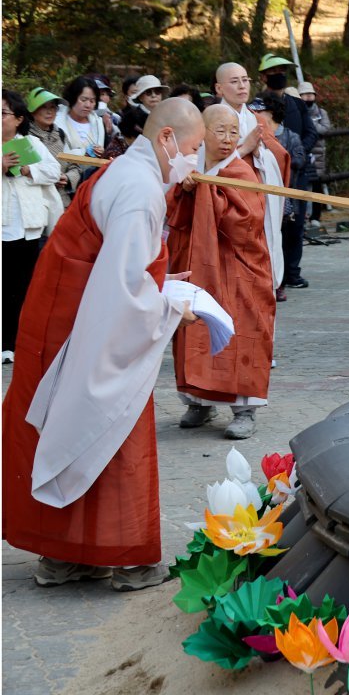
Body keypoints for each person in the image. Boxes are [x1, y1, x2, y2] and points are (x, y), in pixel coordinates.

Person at [2, 98, 204, 591]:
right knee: (112, 425)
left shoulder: (127, 170)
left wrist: (154, 279)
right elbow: (124, 290)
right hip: (86, 323)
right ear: (166, 139)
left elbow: (119, 262)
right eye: (193, 149)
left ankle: (65, 556)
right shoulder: (139, 188)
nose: (193, 163)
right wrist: (169, 304)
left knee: (60, 424)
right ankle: (128, 558)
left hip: (59, 312)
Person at [166, 105, 274, 438]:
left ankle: (245, 409)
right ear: (203, 132)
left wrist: (206, 191)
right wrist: (185, 190)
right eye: (219, 131)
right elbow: (175, 216)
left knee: (241, 328)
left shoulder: (241, 172)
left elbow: (246, 222)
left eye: (233, 132)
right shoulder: (189, 167)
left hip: (238, 264)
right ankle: (197, 401)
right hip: (193, 261)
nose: (227, 140)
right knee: (191, 323)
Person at [214, 63, 287, 297]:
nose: (242, 86)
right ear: (219, 88)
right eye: (234, 81)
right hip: (228, 204)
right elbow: (207, 167)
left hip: (257, 198)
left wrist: (259, 154)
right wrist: (244, 148)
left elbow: (278, 157)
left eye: (245, 80)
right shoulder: (211, 119)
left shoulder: (255, 119)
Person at [2, 90, 63, 364]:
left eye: (3, 113)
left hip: (28, 224)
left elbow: (54, 171)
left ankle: (13, 344)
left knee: (22, 286)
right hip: (2, 226)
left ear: (18, 118)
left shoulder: (31, 143)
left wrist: (28, 170)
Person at [256, 91, 310, 290]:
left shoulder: (290, 135)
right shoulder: (254, 134)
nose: (258, 113)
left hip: (289, 191)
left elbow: (299, 158)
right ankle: (274, 281)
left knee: (292, 234)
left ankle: (291, 274)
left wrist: (279, 161)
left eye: (263, 110)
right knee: (270, 233)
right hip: (265, 192)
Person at [257, 54, 318, 154]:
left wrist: (299, 152)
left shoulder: (298, 103)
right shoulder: (255, 106)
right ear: (264, 77)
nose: (279, 74)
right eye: (273, 71)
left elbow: (311, 133)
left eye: (282, 70)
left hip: (297, 165)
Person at [297, 81, 331, 225]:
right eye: (305, 95)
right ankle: (303, 216)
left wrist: (310, 124)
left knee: (317, 186)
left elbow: (325, 129)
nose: (308, 98)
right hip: (302, 154)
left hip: (318, 157)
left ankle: (316, 217)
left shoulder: (321, 112)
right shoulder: (296, 112)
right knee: (302, 186)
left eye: (310, 94)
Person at [119, 75, 171, 144]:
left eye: (157, 91)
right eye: (148, 92)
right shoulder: (130, 118)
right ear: (140, 97)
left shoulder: (168, 115)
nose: (153, 95)